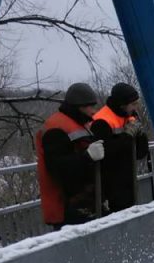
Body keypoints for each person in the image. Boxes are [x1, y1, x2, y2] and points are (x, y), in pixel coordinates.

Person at [35, 82, 105, 229]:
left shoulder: (80, 123)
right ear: (79, 106)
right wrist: (87, 156)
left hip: (85, 203)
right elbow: (57, 167)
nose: (94, 111)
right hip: (69, 208)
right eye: (91, 106)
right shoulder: (56, 129)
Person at [91, 82, 149, 212]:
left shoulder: (130, 117)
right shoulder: (102, 121)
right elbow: (106, 152)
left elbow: (141, 152)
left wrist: (141, 134)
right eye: (133, 104)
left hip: (127, 179)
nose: (136, 108)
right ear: (122, 104)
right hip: (110, 184)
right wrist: (127, 136)